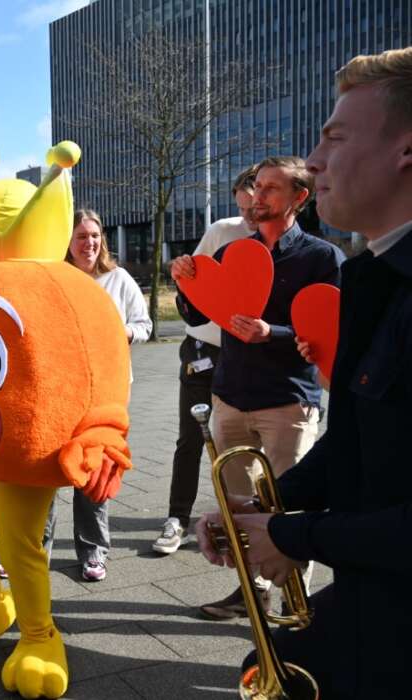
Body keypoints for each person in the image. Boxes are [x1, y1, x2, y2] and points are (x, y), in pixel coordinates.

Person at [198, 46, 412, 698]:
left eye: (335, 138)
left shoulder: (337, 263)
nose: (315, 160)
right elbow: (358, 444)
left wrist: (293, 533)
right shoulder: (377, 275)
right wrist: (265, 507)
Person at [173, 156, 344, 620]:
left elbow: (333, 329)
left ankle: (296, 605)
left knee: (290, 506)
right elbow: (198, 314)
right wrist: (185, 283)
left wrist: (276, 334)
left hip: (288, 400)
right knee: (238, 506)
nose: (257, 196)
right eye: (256, 186)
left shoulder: (321, 257)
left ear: (299, 198)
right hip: (231, 395)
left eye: (270, 188)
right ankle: (251, 591)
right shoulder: (232, 253)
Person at [153, 167, 257, 555]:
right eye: (242, 208)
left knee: (241, 442)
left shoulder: (277, 242)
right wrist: (182, 272)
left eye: (254, 208)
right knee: (191, 437)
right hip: (204, 349)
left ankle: (241, 519)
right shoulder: (221, 231)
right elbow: (192, 283)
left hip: (249, 354)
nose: (248, 216)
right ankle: (176, 518)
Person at [58, 209, 151, 582]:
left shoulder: (118, 279)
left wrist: (121, 332)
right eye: (81, 236)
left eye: (95, 236)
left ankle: (94, 551)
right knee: (46, 471)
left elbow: (144, 326)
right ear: (68, 242)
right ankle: (31, 549)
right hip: (62, 388)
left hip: (107, 392)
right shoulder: (57, 277)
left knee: (95, 470)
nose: (89, 243)